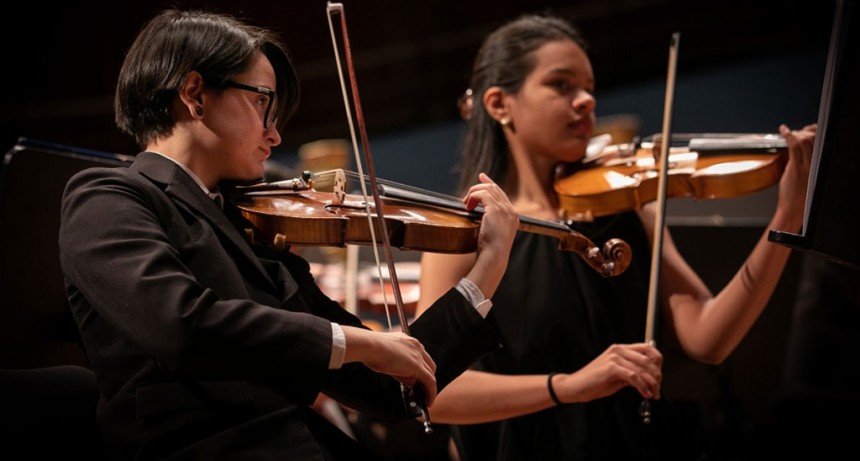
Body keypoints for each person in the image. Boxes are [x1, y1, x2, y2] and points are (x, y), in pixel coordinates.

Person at [57, 9, 519, 461]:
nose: (274, 136)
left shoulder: (249, 231)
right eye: (263, 103)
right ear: (195, 94)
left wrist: (485, 272)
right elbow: (182, 326)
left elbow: (394, 390)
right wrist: (359, 341)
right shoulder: (108, 197)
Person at [415, 13, 816, 460]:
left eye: (589, 87)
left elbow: (708, 337)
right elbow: (433, 385)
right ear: (499, 103)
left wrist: (787, 215)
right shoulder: (463, 232)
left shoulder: (627, 208)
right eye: (561, 85)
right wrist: (568, 386)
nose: (586, 100)